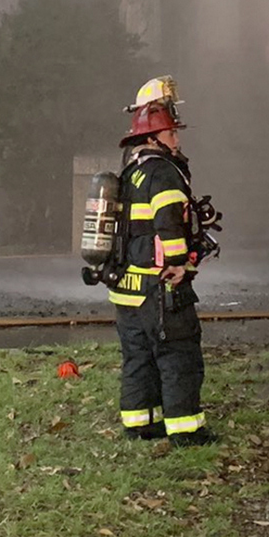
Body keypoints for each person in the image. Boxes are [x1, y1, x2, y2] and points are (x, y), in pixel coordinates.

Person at [109, 76, 217, 446]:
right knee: (178, 356)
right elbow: (169, 220)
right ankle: (187, 431)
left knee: (138, 358)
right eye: (172, 134)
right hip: (161, 286)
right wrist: (180, 264)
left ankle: (140, 423)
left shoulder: (130, 171)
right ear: (154, 136)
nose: (178, 140)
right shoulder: (163, 172)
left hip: (127, 290)